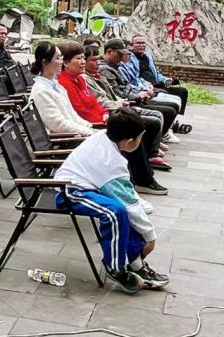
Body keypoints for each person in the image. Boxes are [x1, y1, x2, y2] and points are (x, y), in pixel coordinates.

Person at [55, 108, 170, 294]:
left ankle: (136, 263)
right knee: (114, 212)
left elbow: (127, 197)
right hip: (70, 190)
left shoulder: (105, 137)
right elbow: (129, 204)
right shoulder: (110, 161)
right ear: (130, 141)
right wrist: (150, 237)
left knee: (123, 211)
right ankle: (115, 268)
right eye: (140, 138)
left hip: (91, 186)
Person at [58, 42, 168, 194]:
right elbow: (81, 111)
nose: (83, 62)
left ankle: (142, 175)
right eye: (79, 58)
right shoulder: (64, 83)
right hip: (89, 126)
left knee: (134, 123)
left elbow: (94, 103)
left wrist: (105, 114)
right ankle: (142, 180)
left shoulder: (80, 79)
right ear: (66, 62)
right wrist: (102, 120)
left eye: (84, 58)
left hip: (100, 118)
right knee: (129, 128)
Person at [99, 39, 180, 144]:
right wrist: (138, 95)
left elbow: (128, 85)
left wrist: (142, 92)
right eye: (120, 54)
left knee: (172, 103)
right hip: (124, 104)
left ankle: (158, 140)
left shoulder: (116, 66)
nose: (122, 57)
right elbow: (117, 92)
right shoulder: (104, 69)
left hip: (132, 98)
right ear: (110, 51)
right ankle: (153, 146)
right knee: (161, 115)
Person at [129, 36, 189, 114]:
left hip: (157, 84)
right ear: (132, 45)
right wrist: (145, 86)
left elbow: (156, 73)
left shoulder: (148, 56)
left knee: (183, 91)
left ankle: (177, 115)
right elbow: (133, 78)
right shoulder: (129, 58)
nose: (141, 45)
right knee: (171, 102)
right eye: (138, 43)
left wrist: (165, 79)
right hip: (145, 87)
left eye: (143, 43)